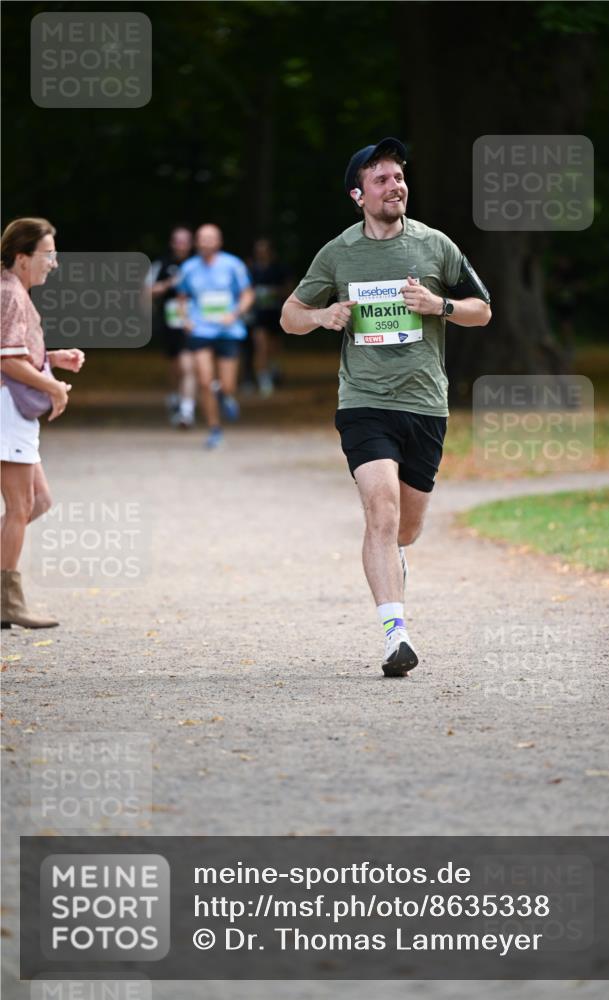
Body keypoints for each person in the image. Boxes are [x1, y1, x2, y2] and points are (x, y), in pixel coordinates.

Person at [281, 138, 491, 677]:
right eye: (382, 179)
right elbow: (289, 315)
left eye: (399, 177)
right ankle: (395, 635)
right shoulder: (338, 253)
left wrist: (438, 305)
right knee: (381, 510)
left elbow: (482, 310)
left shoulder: (435, 245)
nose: (395, 186)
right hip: (364, 402)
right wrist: (323, 317)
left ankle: (393, 569)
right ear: (358, 194)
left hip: (425, 403)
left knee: (406, 530)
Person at [1, 217, 85, 628]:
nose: (53, 263)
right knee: (20, 506)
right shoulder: (9, 294)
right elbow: (7, 361)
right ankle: (7, 603)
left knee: (39, 502)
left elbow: (17, 352)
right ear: (22, 257)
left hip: (15, 411)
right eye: (47, 255)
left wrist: (53, 358)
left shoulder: (15, 291)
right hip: (7, 410)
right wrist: (54, 388)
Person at [176, 224, 255, 449]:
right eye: (202, 238)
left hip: (228, 330)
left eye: (211, 238)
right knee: (204, 381)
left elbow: (248, 294)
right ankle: (214, 428)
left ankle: (225, 394)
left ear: (219, 242)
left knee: (228, 385)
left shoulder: (233, 265)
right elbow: (181, 297)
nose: (206, 242)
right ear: (196, 242)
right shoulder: (189, 267)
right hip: (201, 330)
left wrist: (235, 313)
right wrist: (185, 320)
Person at [146, 226, 195, 427]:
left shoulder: (198, 264)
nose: (181, 245)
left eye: (185, 241)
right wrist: (169, 284)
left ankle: (186, 410)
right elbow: (148, 291)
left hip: (193, 323)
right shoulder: (161, 264)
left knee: (188, 365)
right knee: (176, 366)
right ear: (172, 243)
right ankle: (176, 396)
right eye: (178, 241)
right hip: (170, 322)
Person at [247, 237, 291, 396]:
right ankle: (263, 380)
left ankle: (273, 371)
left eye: (265, 250)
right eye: (259, 250)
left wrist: (274, 292)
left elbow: (288, 289)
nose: (262, 253)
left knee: (274, 347)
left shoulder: (279, 268)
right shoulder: (251, 269)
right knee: (261, 347)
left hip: (276, 313)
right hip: (258, 315)